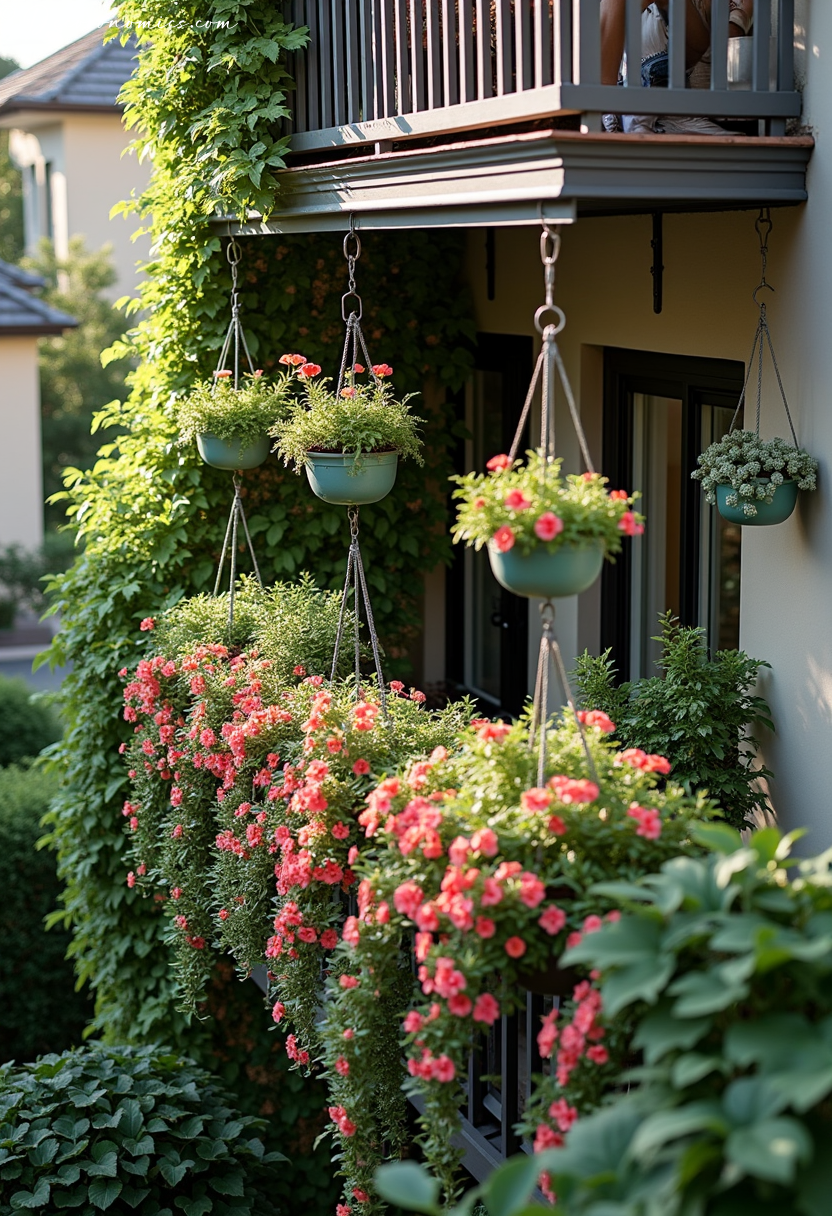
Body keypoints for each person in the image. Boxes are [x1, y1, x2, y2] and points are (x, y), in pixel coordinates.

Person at [600, 0, 754, 134]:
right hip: (627, 99)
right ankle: (608, 108)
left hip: (681, 101)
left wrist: (738, 19)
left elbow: (728, 40)